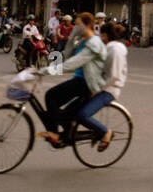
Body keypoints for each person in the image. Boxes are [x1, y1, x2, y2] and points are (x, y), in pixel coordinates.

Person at [37, 13, 106, 148]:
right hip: (80, 80)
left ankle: (54, 133)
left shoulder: (94, 43)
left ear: (86, 25)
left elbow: (71, 65)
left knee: (50, 95)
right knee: (62, 113)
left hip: (87, 83)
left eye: (78, 25)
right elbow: (67, 56)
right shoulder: (82, 41)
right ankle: (66, 135)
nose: (75, 27)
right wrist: (72, 38)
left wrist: (44, 71)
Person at [76, 22, 128, 152]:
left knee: (83, 115)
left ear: (105, 36)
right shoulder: (109, 49)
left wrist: (96, 90)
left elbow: (114, 77)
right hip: (100, 86)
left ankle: (105, 132)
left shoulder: (115, 51)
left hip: (109, 90)